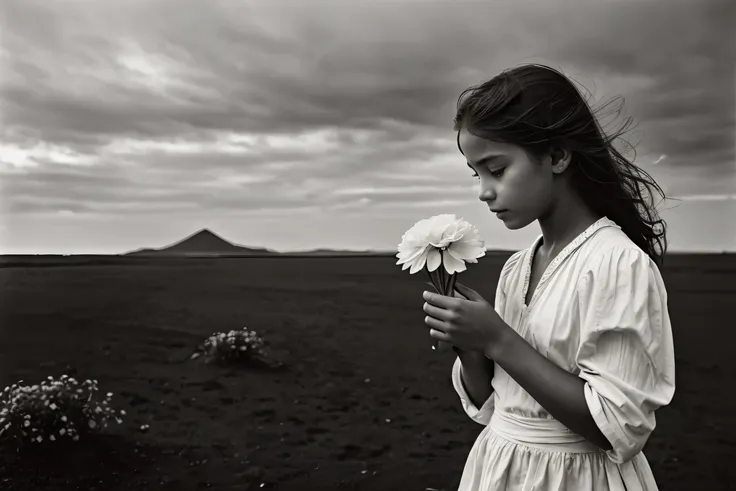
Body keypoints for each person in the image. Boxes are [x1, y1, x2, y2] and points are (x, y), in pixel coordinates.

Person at [421, 64, 676, 490]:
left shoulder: (615, 262)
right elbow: (495, 403)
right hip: (498, 468)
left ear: (558, 156)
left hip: (576, 477)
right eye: (476, 173)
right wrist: (469, 347)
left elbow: (617, 424)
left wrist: (497, 339)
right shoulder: (516, 268)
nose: (484, 190)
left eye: (497, 169)